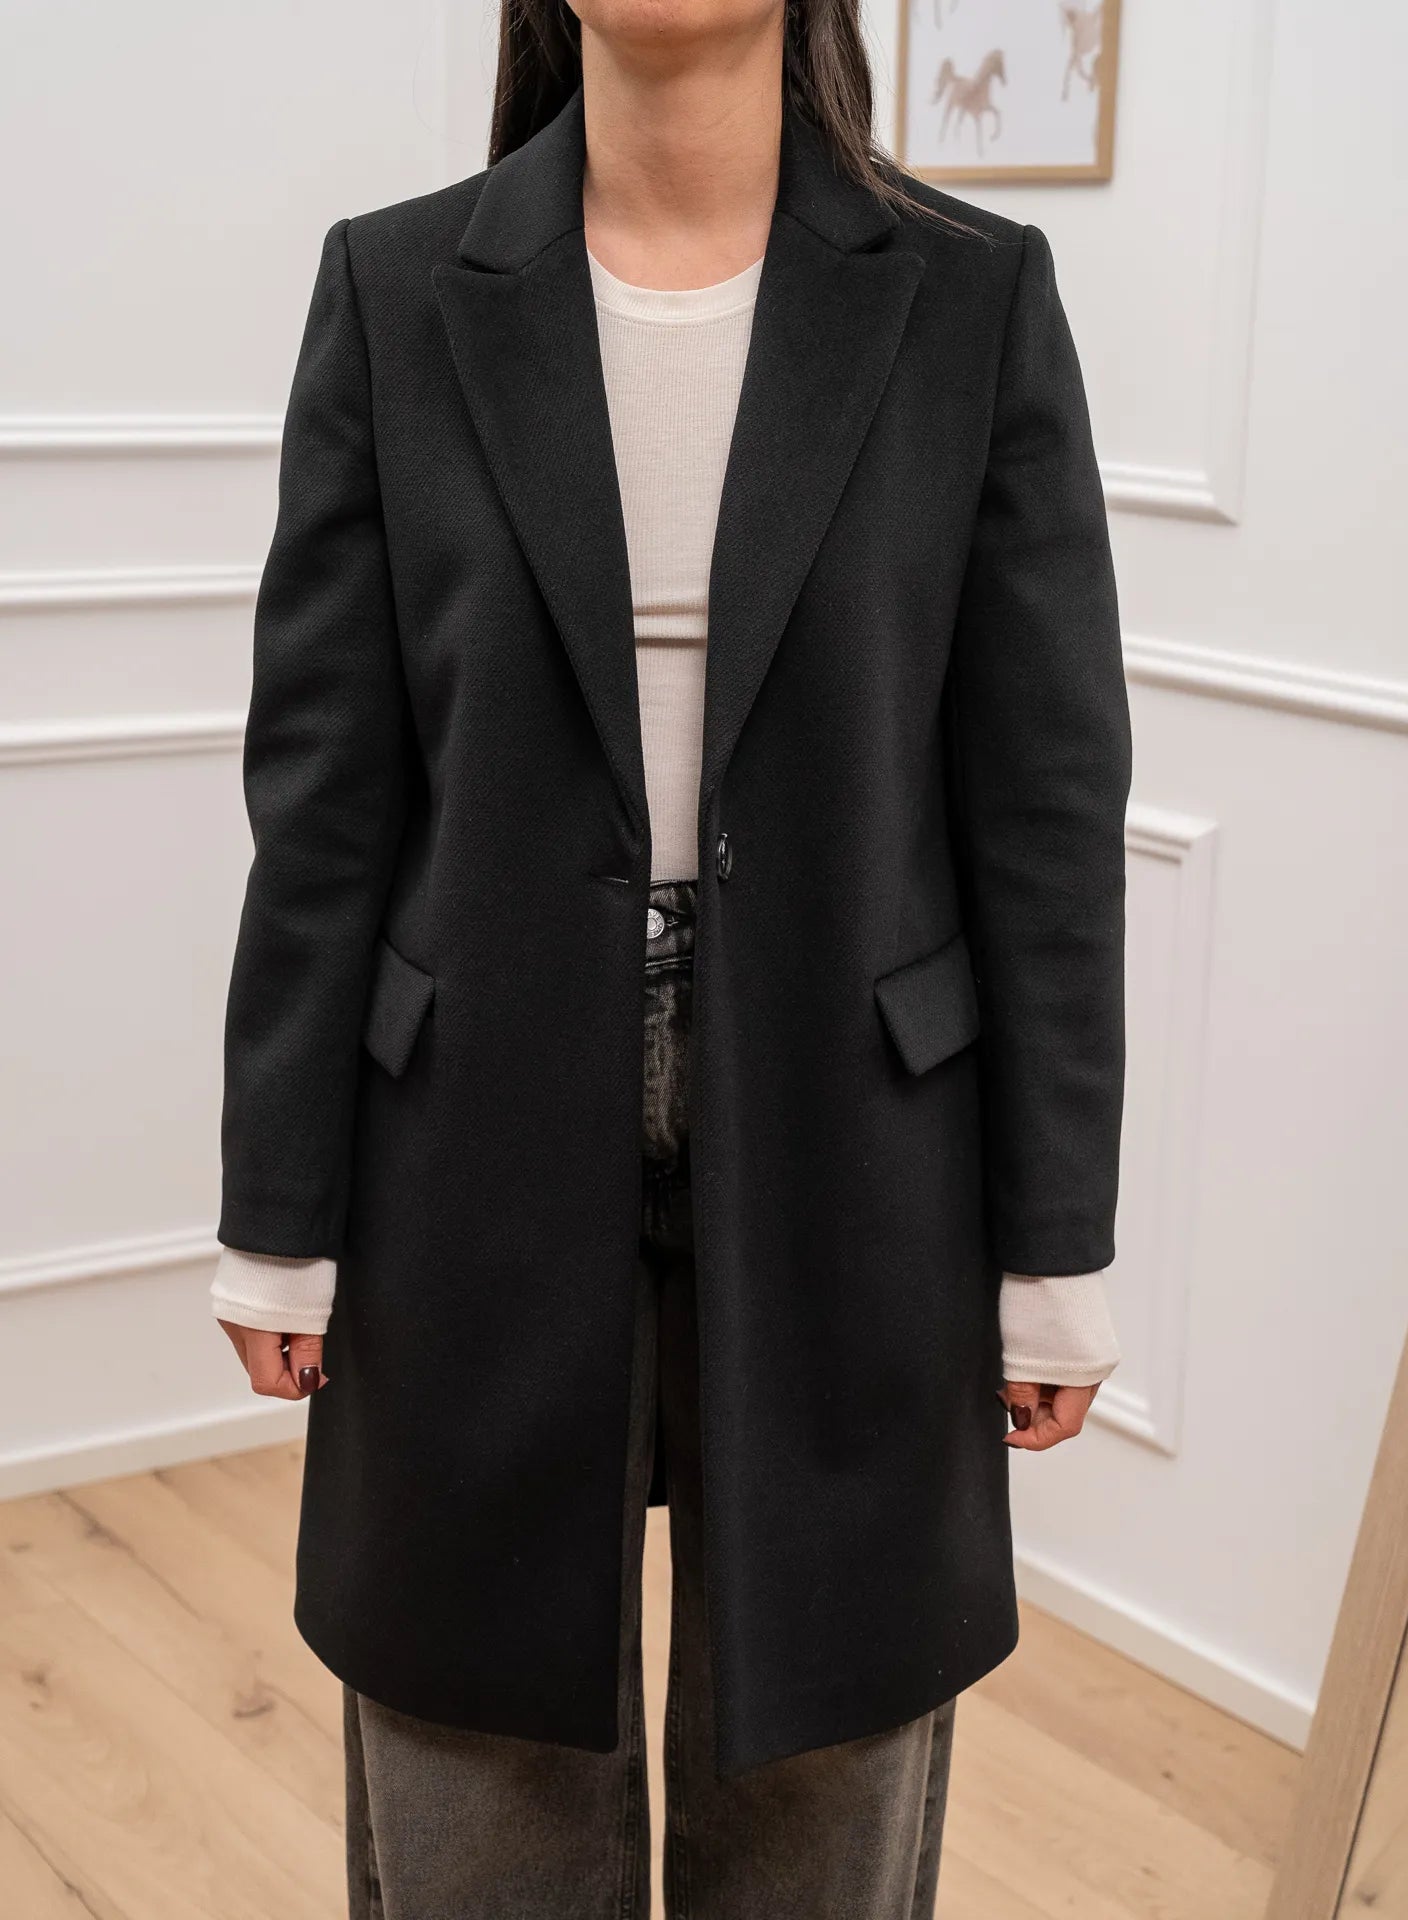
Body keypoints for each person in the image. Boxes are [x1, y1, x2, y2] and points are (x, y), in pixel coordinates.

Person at [211, 1, 1130, 1913]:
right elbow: (326, 793)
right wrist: (276, 1210)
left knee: (826, 1778)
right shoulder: (392, 288)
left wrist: (1052, 1245)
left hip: (860, 1130)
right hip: (462, 1129)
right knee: (472, 1769)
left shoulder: (974, 296)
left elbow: (1042, 807)